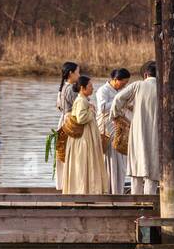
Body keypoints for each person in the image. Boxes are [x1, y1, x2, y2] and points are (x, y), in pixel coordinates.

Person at [111, 60, 159, 196]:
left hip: (138, 132)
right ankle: (149, 205)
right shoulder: (164, 88)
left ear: (145, 74)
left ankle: (135, 204)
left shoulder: (137, 85)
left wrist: (116, 116)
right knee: (152, 172)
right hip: (157, 134)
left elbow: (117, 99)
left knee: (136, 171)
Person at [60, 76, 108, 194]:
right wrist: (91, 111)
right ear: (83, 88)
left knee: (85, 163)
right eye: (90, 86)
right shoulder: (81, 100)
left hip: (86, 135)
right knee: (84, 163)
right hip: (84, 137)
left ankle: (85, 190)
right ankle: (84, 191)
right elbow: (81, 119)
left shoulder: (83, 99)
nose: (92, 88)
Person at [95, 68, 131, 194]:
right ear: (115, 80)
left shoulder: (120, 90)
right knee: (109, 159)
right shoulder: (103, 90)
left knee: (120, 160)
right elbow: (102, 107)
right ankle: (108, 191)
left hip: (119, 127)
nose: (125, 85)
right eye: (123, 82)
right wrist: (119, 100)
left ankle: (118, 190)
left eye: (126, 83)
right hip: (107, 127)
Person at [54, 61, 80, 189]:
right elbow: (79, 107)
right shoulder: (70, 89)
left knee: (65, 154)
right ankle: (71, 184)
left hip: (63, 121)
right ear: (71, 73)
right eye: (78, 72)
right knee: (71, 154)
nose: (79, 75)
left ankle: (65, 184)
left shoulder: (62, 88)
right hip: (70, 122)